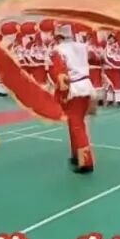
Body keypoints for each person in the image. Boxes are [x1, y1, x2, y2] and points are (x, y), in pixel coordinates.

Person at [49, 24, 96, 174]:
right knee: (75, 123)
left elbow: (59, 73)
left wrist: (60, 93)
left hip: (73, 89)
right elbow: (94, 58)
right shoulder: (82, 47)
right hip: (86, 86)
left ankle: (86, 162)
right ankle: (76, 155)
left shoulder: (58, 50)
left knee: (76, 125)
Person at [103, 31, 120, 107]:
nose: (111, 40)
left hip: (116, 69)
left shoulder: (117, 45)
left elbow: (119, 37)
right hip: (108, 69)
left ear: (115, 39)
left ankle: (119, 101)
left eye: (112, 38)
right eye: (109, 39)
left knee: (118, 85)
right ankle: (110, 100)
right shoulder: (105, 46)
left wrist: (117, 30)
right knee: (109, 85)